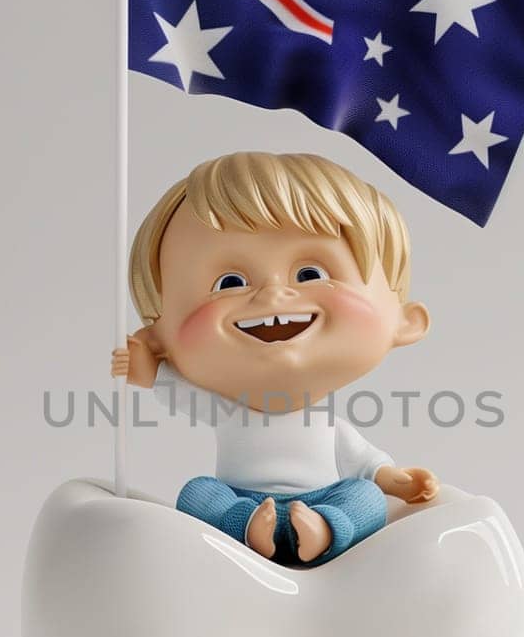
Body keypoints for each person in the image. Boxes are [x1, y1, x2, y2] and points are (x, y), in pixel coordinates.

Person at [111, 151, 438, 566]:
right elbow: (171, 388)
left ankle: (324, 530)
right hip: (241, 499)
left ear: (406, 322)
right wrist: (146, 369)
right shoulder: (226, 409)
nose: (272, 296)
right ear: (160, 336)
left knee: (366, 497)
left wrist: (394, 480)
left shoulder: (328, 423)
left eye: (309, 274)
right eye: (230, 282)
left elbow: (364, 463)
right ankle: (246, 528)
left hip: (323, 499)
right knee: (197, 492)